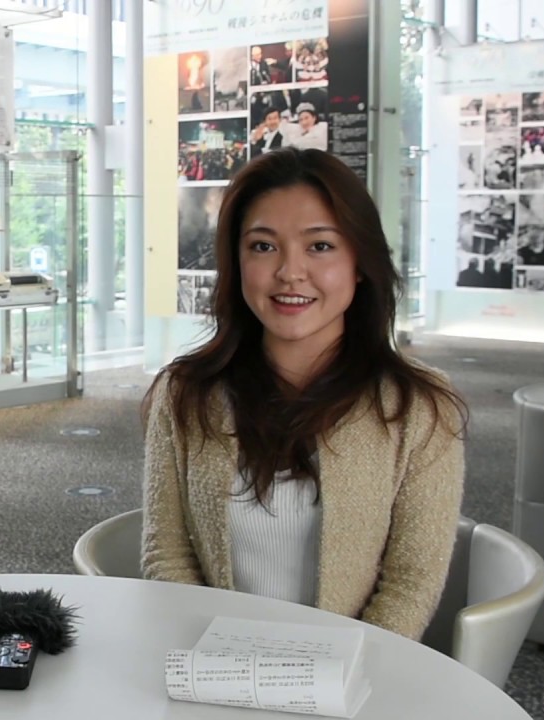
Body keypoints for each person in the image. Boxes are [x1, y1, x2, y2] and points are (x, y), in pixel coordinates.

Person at [141, 148, 467, 642]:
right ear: (237, 261)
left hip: (356, 671)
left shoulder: (419, 407)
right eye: (263, 246)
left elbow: (410, 582)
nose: (290, 272)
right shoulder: (184, 393)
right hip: (212, 662)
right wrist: (219, 658)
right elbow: (165, 553)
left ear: (359, 263)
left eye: (320, 246)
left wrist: (344, 668)